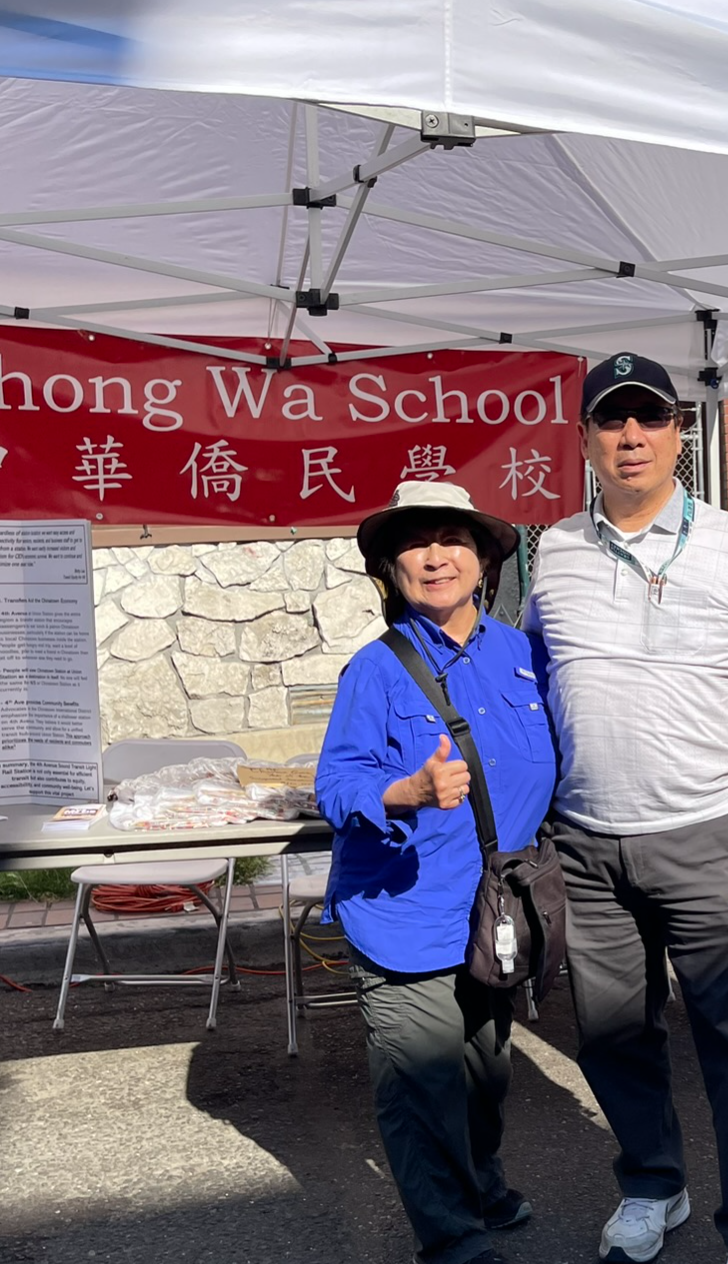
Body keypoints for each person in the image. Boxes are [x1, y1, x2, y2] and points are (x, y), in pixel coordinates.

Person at [524, 352, 728, 1264]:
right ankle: (652, 1185)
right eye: (612, 419)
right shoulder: (554, 549)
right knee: (613, 1038)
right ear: (583, 438)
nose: (631, 436)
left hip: (706, 837)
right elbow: (533, 678)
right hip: (584, 841)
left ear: (679, 431)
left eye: (649, 417)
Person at [314, 481, 556, 1264]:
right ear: (391, 567)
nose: (435, 555)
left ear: (483, 560)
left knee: (484, 1069)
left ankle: (478, 1183)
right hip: (403, 911)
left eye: (453, 539)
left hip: (494, 910)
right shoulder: (375, 670)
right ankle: (451, 1235)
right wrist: (405, 791)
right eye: (415, 543)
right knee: (422, 1082)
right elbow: (335, 782)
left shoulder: (523, 656)